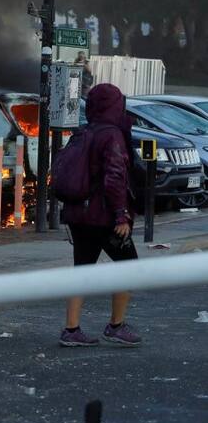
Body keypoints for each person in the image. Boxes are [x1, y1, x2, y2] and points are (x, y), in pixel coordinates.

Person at [60, 83, 142, 347]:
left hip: (78, 214)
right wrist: (121, 215)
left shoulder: (82, 132)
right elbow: (115, 178)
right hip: (104, 216)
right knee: (130, 267)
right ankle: (116, 325)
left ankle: (71, 330)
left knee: (81, 270)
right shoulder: (113, 135)